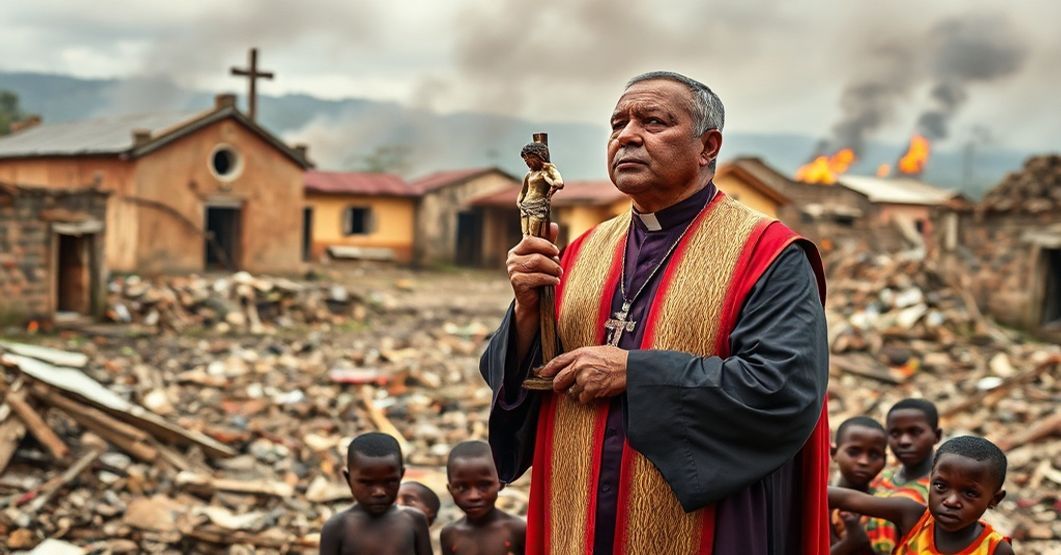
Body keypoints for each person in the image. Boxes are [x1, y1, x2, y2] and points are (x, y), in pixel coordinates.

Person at [480, 70, 831, 553]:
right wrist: (525, 308)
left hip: (697, 525)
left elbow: (783, 388)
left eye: (653, 122)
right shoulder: (581, 251)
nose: (627, 135)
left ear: (708, 146)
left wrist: (636, 372)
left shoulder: (767, 253)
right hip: (574, 513)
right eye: (617, 123)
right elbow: (522, 381)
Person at [828, 436, 1013, 554]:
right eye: (941, 486)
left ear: (994, 499)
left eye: (970, 493)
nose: (951, 501)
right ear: (930, 482)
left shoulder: (994, 549)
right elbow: (847, 499)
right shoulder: (912, 517)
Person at [320, 432, 432, 555]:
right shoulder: (337, 527)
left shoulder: (414, 521)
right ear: (348, 479)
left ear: (401, 476)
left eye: (390, 481)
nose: (379, 492)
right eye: (367, 483)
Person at [868, 398, 943, 552]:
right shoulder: (881, 479)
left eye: (915, 432)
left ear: (937, 435)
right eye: (895, 433)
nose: (904, 441)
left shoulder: (942, 489)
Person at [440, 440, 527, 555]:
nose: (473, 496)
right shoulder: (450, 535)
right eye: (462, 487)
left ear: (500, 484)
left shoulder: (517, 530)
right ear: (450, 490)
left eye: (484, 485)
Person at [830, 416, 887, 554]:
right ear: (834, 453)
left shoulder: (884, 508)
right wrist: (851, 543)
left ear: (884, 460)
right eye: (853, 452)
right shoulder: (818, 502)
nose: (863, 461)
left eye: (874, 455)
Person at [517, 142, 564, 237]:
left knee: (534, 236)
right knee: (525, 235)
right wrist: (519, 202)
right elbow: (523, 192)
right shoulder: (529, 174)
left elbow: (560, 183)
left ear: (537, 157)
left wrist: (548, 179)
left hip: (538, 206)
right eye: (525, 161)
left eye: (529, 159)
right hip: (526, 206)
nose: (527, 163)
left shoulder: (548, 170)